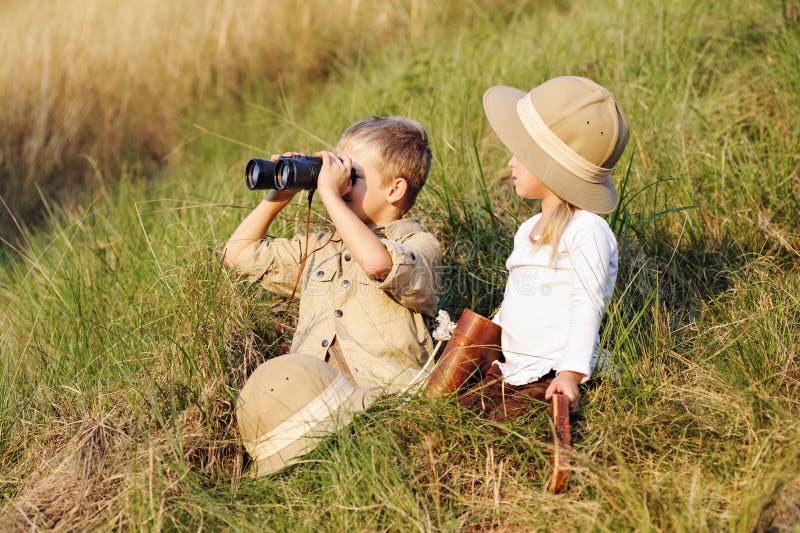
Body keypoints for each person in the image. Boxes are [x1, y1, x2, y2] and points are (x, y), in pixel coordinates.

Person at [223, 116, 442, 475]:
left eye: (350, 176)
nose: (337, 183)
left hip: (383, 407)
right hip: (312, 411)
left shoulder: (420, 246)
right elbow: (238, 255)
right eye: (332, 171)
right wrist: (280, 195)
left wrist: (327, 193)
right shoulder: (322, 248)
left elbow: (377, 263)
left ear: (394, 190)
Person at [456, 76, 629, 421]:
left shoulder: (587, 230)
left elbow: (587, 304)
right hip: (514, 366)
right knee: (462, 413)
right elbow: (519, 295)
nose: (510, 162)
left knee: (510, 426)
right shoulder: (526, 231)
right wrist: (486, 336)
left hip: (552, 368)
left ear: (550, 166)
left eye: (522, 154)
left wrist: (571, 372)